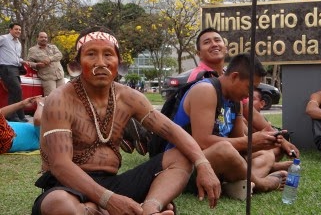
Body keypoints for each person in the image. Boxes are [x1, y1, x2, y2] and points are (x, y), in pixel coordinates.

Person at [32, 27, 220, 215]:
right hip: (67, 187)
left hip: (112, 184)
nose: (101, 63)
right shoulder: (60, 100)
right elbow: (60, 165)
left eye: (108, 54)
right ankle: (104, 209)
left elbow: (173, 131)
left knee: (181, 155)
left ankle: (149, 209)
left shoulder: (129, 97)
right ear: (77, 64)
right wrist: (108, 200)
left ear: (119, 63)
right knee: (58, 204)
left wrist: (203, 164)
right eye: (91, 54)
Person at [168, 53, 287, 195]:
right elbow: (202, 142)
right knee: (225, 149)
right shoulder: (206, 90)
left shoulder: (235, 101)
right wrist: (250, 141)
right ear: (235, 76)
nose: (249, 95)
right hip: (186, 163)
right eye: (249, 87)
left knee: (267, 154)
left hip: (218, 162)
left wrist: (263, 142)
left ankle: (235, 184)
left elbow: (239, 147)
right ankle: (261, 184)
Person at [188, 27, 300, 161]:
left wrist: (277, 139)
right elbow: (202, 140)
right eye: (207, 42)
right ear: (199, 53)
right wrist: (251, 141)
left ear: (226, 47)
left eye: (217, 40)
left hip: (227, 141)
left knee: (273, 149)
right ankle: (257, 174)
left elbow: (248, 110)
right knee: (255, 149)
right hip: (208, 149)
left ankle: (259, 168)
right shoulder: (200, 81)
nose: (214, 44)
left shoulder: (229, 76)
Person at [0, 23, 28, 122]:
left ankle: (20, 116)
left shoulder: (18, 43)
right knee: (16, 90)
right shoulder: (3, 38)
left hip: (15, 69)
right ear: (10, 29)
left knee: (18, 92)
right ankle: (11, 116)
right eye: (16, 29)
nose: (18, 31)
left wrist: (25, 62)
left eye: (20, 30)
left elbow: (16, 58)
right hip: (6, 68)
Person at [27, 32, 65, 96]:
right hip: (47, 78)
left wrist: (50, 59)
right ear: (37, 38)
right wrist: (37, 65)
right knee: (51, 98)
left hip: (59, 75)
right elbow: (28, 62)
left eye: (45, 37)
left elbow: (59, 55)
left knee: (62, 96)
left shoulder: (52, 47)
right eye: (41, 37)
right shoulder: (32, 50)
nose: (44, 39)